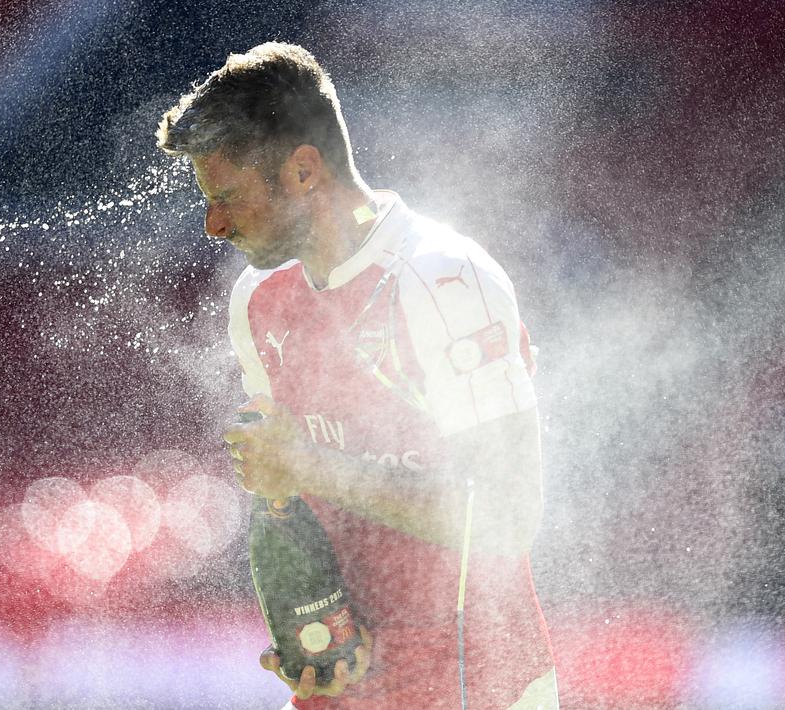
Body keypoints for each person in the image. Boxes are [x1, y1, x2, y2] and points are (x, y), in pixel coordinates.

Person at [157, 42, 559, 709]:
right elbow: (297, 505)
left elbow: (507, 515)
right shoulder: (256, 301)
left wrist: (308, 466)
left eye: (228, 197)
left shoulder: (442, 279)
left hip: (476, 683)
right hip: (347, 688)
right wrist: (308, 628)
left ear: (304, 171)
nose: (213, 224)